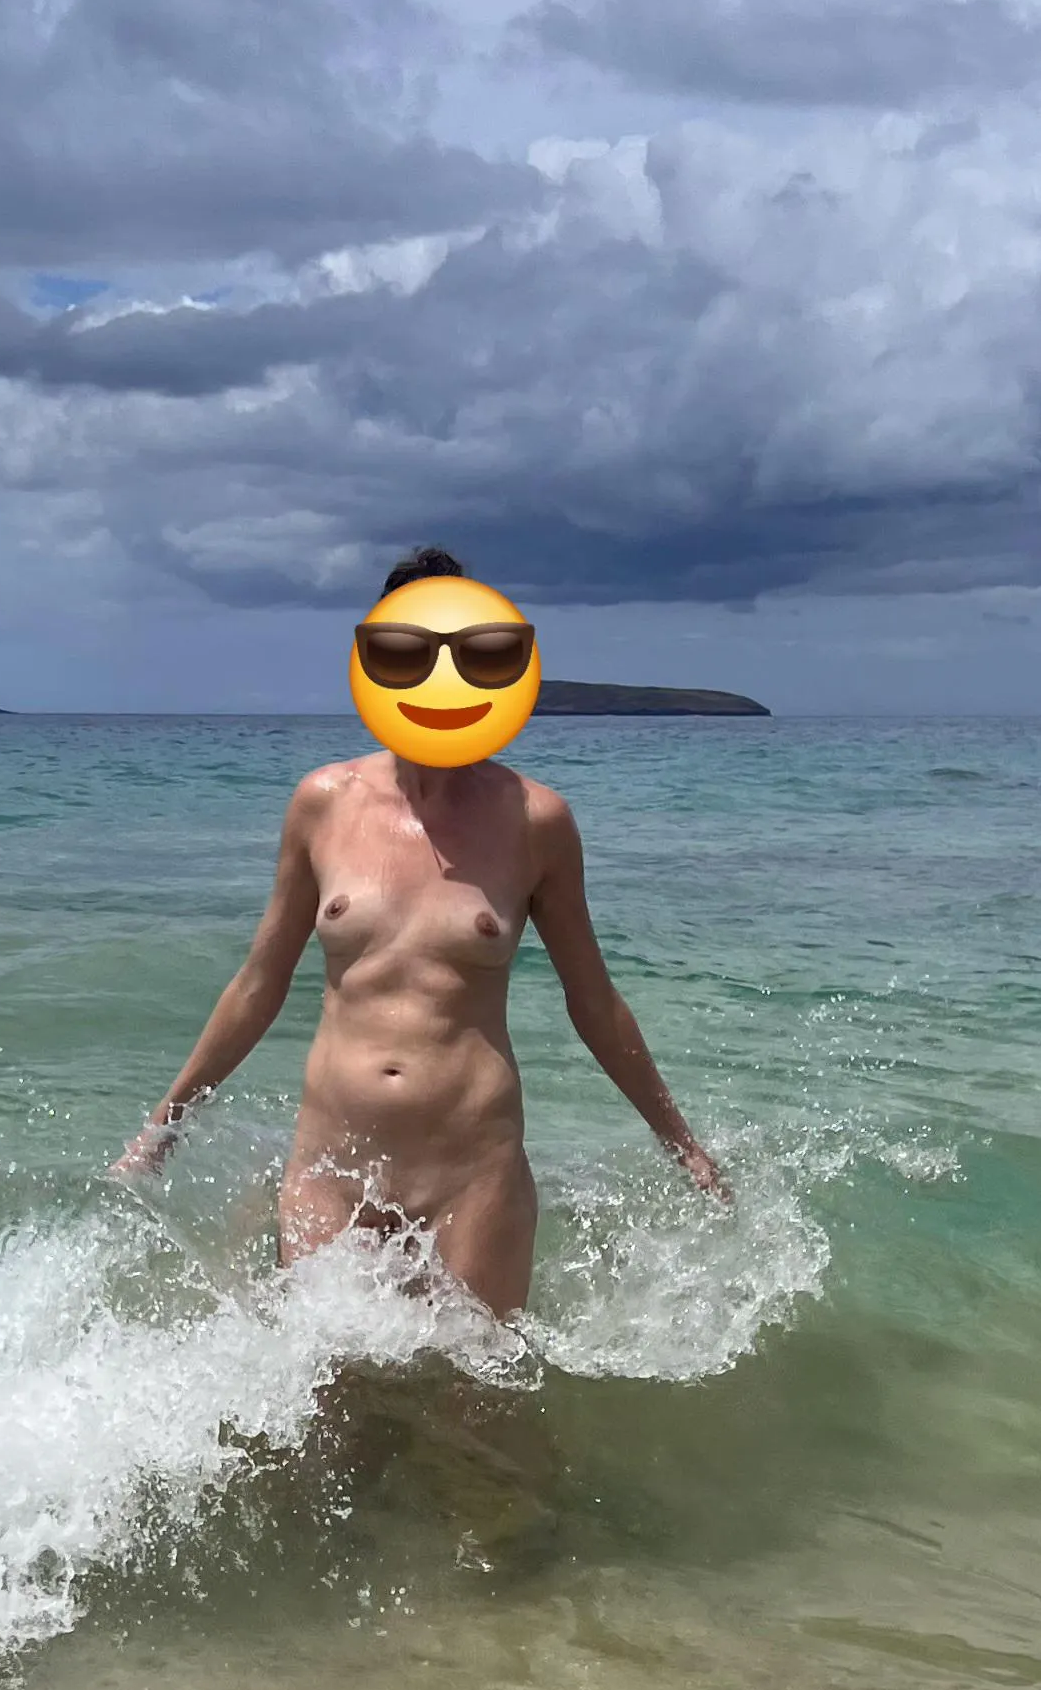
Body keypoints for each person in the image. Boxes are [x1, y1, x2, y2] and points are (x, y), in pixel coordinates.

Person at [111, 548, 725, 1315]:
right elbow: (259, 983)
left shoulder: (536, 822)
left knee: (470, 1416)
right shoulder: (323, 805)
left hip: (472, 1173)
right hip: (332, 1166)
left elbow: (593, 999)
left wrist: (683, 1147)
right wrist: (165, 1124)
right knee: (321, 1413)